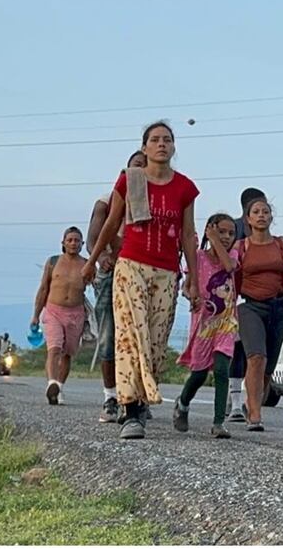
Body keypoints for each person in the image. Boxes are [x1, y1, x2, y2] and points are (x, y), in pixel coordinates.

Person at [82, 121, 200, 440]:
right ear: (144, 147)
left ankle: (142, 397)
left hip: (167, 272)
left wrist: (194, 279)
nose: (162, 144)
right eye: (155, 140)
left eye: (167, 140)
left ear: (174, 147)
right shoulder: (130, 180)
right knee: (131, 336)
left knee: (156, 340)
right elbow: (111, 223)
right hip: (131, 265)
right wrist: (92, 261)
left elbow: (188, 235)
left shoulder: (185, 188)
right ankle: (131, 410)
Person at [87, 150, 147, 423]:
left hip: (142, 273)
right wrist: (101, 257)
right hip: (112, 272)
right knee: (110, 336)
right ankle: (111, 396)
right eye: (136, 165)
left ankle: (138, 396)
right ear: (126, 170)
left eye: (145, 167)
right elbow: (93, 239)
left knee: (139, 337)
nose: (141, 170)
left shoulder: (155, 201)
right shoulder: (106, 201)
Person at [235, 196, 283, 431]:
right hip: (250, 306)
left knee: (269, 366)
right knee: (256, 356)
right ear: (248, 219)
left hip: (278, 307)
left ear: (271, 217)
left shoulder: (281, 243)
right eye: (256, 212)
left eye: (265, 211)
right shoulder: (241, 246)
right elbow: (228, 269)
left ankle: (252, 403)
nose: (261, 215)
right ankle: (255, 414)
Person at [173, 213, 239, 439]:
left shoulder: (233, 254)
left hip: (226, 322)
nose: (227, 237)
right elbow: (187, 285)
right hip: (203, 323)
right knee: (199, 373)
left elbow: (229, 266)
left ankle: (218, 422)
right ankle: (182, 403)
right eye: (221, 232)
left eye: (231, 233)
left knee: (222, 369)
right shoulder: (198, 257)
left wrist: (216, 240)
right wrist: (190, 294)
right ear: (210, 231)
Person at [31, 227, 89, 404]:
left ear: (82, 244)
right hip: (53, 310)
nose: (73, 243)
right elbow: (43, 289)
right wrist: (35, 315)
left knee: (67, 353)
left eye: (77, 240)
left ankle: (59, 388)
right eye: (70, 240)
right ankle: (52, 383)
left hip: (75, 313)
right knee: (54, 348)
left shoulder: (87, 264)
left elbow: (99, 287)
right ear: (63, 243)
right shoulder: (53, 262)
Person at [226, 187, 266, 423]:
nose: (262, 214)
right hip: (238, 298)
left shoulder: (264, 236)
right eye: (257, 208)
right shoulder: (235, 229)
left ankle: (237, 404)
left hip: (244, 299)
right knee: (238, 353)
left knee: (243, 353)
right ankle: (235, 404)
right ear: (247, 209)